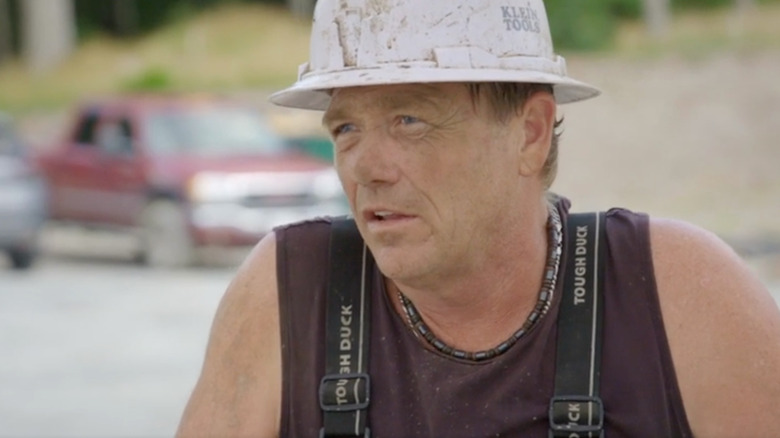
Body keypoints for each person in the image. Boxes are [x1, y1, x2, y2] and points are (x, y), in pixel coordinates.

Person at [176, 0, 780, 436]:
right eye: (346, 128)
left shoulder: (675, 291)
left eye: (410, 120)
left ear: (530, 133)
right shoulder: (288, 292)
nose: (366, 168)